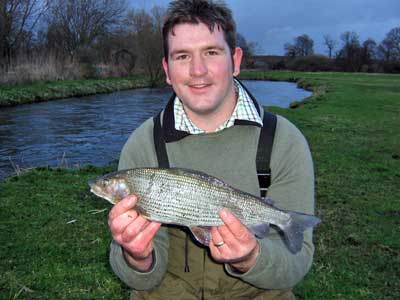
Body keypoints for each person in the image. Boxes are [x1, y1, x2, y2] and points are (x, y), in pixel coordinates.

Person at [108, 0, 316, 299]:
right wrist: (137, 257)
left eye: (211, 52)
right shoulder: (143, 144)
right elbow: (139, 280)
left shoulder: (283, 141)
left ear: (236, 60)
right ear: (166, 69)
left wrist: (250, 258)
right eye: (182, 56)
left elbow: (296, 264)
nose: (198, 70)